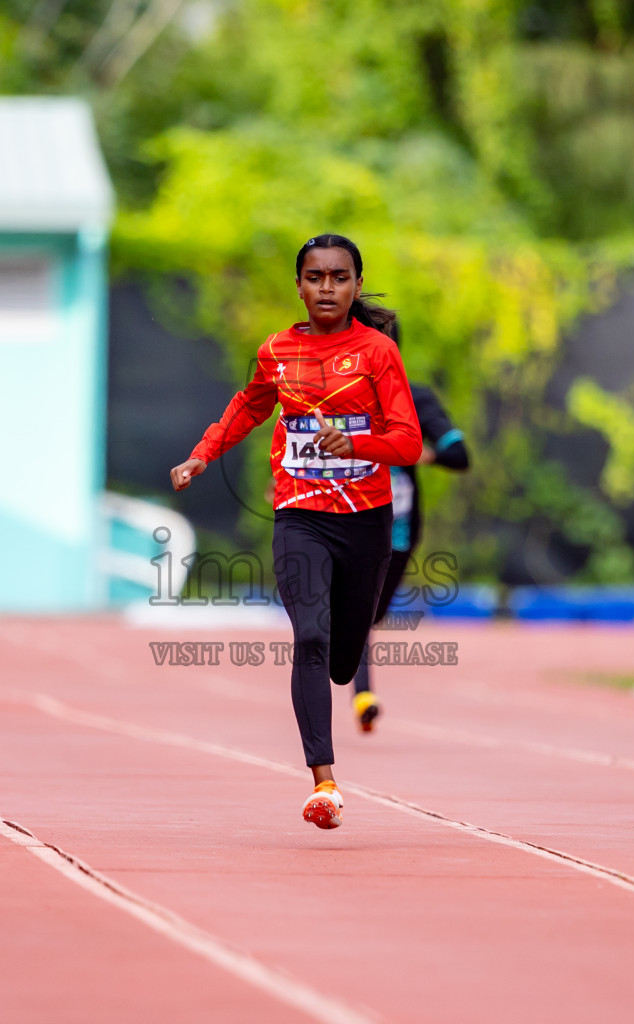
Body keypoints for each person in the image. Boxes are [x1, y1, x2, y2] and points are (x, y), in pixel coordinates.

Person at [172, 234, 421, 829]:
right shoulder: (279, 350)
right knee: (309, 634)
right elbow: (248, 405)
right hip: (300, 516)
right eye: (315, 277)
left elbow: (407, 440)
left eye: (339, 277)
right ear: (300, 284)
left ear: (357, 285)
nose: (326, 288)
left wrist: (355, 442)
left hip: (366, 521)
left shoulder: (379, 352)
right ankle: (325, 784)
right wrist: (203, 455)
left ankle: (341, 673)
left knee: (340, 660)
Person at [350, 338, 470, 731]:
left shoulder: (414, 398)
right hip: (341, 520)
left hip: (396, 528)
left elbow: (459, 453)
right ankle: (362, 695)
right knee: (356, 612)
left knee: (368, 616)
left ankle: (359, 689)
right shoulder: (332, 393)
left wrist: (425, 453)